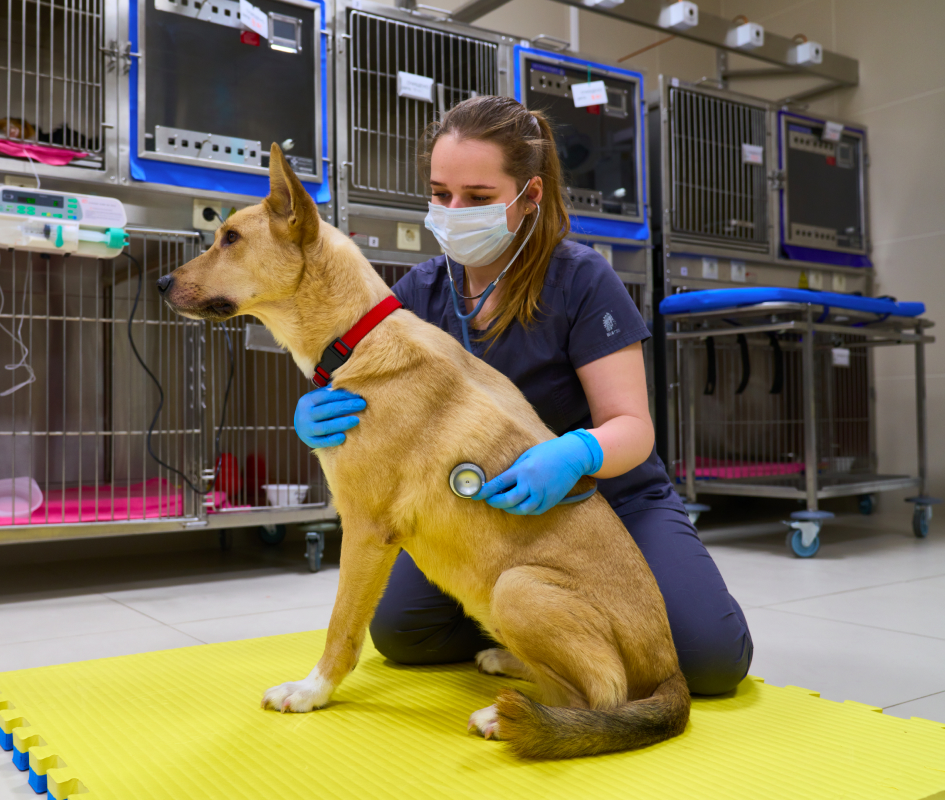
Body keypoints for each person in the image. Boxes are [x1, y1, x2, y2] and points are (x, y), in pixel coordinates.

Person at [293, 95, 752, 696]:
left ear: (529, 196)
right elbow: (355, 374)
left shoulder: (582, 280)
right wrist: (315, 411)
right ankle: (538, 633)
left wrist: (573, 456)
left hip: (605, 497)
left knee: (709, 659)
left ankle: (568, 629)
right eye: (440, 194)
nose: (453, 211)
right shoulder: (420, 291)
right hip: (474, 513)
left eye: (478, 198)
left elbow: (632, 427)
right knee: (405, 635)